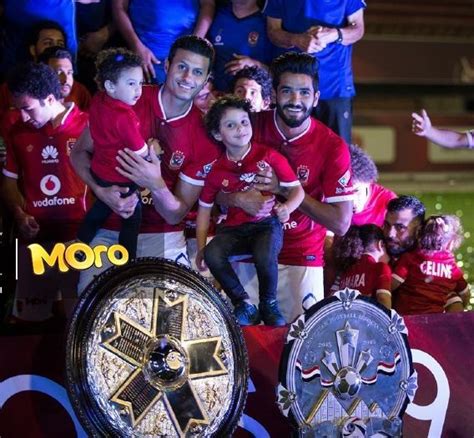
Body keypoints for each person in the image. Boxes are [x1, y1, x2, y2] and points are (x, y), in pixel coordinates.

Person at [71, 35, 220, 292]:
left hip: (163, 235)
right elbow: (79, 153)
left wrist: (155, 183)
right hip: (109, 227)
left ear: (205, 81)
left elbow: (175, 213)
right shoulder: (127, 95)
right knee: (92, 306)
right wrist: (101, 191)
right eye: (181, 67)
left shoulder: (205, 137)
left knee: (168, 320)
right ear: (167, 65)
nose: (187, 78)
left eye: (197, 72)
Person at [221, 52, 354, 322]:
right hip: (245, 254)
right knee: (240, 349)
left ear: (316, 98)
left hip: (301, 258)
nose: (295, 101)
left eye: (304, 93)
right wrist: (235, 199)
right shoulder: (250, 127)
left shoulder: (332, 146)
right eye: (287, 91)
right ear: (273, 93)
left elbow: (341, 223)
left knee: (301, 358)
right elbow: (212, 190)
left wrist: (285, 188)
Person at [196, 95, 304, 326]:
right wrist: (201, 247)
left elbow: (297, 191)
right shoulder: (215, 170)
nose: (240, 129)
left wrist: (287, 208)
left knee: (265, 255)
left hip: (266, 225)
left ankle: (268, 303)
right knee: (212, 254)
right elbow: (204, 210)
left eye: (244, 122)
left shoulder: (268, 156)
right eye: (230, 125)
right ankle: (243, 303)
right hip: (233, 230)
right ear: (218, 134)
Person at [2, 62, 88, 323]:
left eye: (28, 108)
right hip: (35, 244)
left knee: (81, 323)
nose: (24, 116)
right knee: (28, 323)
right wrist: (19, 215)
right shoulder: (18, 132)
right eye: (19, 109)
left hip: (81, 243)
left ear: (50, 98)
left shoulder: (88, 126)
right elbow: (8, 183)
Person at [76, 48, 151, 259]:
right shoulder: (123, 116)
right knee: (131, 215)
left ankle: (80, 242)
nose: (138, 90)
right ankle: (128, 260)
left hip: (100, 168)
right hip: (120, 175)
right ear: (110, 86)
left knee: (101, 207)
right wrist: (152, 152)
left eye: (140, 83)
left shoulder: (99, 99)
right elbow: (140, 149)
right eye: (131, 84)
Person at [265, 0, 366, 144]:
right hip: (290, 89)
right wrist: (296, 39)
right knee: (288, 150)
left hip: (335, 87)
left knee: (337, 152)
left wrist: (335, 34)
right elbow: (272, 30)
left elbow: (358, 29)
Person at [112, 0, 216, 83]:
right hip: (149, 57)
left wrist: (194, 43)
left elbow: (208, 4)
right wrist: (136, 45)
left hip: (187, 56)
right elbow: (119, 6)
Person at [392, 214, 470, 315]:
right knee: (454, 297)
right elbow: (465, 294)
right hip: (433, 322)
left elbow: (392, 284)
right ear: (451, 242)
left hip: (406, 318)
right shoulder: (452, 268)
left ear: (420, 235)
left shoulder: (410, 258)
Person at [207, 0, 274, 92]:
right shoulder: (216, 14)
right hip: (213, 97)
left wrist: (254, 64)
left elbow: (277, 75)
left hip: (248, 100)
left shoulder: (268, 25)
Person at [333, 224, 392, 309]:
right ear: (381, 244)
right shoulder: (380, 267)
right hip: (368, 320)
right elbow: (383, 299)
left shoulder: (345, 271)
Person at [349, 144, 397, 227]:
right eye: (345, 192)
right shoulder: (330, 197)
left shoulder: (388, 202)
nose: (352, 200)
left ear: (368, 181)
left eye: (356, 191)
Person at [38, 46, 92, 111]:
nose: (66, 80)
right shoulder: (33, 101)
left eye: (69, 73)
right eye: (59, 73)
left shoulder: (79, 91)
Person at [383, 195, 425, 261]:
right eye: (386, 225)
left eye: (400, 227)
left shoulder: (425, 267)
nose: (390, 234)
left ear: (418, 231)